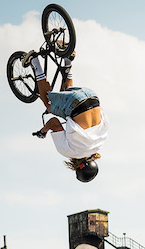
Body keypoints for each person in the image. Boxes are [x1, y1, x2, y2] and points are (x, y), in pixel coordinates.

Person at [24, 51, 108, 182]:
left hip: (92, 97)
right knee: (48, 103)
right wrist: (43, 131)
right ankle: (35, 62)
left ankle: (67, 61)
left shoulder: (98, 144)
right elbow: (54, 122)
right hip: (77, 105)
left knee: (65, 99)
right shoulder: (70, 152)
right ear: (78, 167)